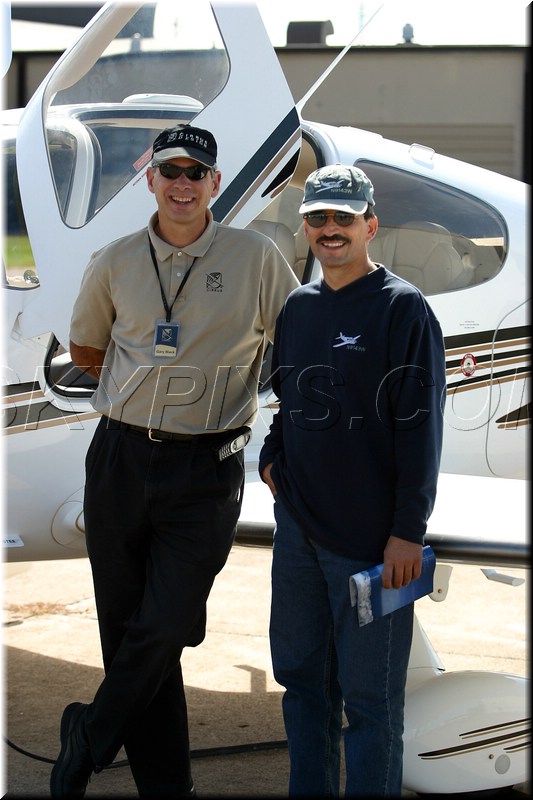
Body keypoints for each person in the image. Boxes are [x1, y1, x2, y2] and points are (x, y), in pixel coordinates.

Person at [50, 124, 300, 799]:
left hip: (206, 469)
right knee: (128, 630)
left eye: (196, 172)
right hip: (121, 460)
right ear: (151, 182)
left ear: (215, 183)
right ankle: (167, 789)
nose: (183, 183)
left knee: (164, 626)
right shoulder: (113, 260)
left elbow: (295, 348)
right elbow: (87, 353)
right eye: (171, 172)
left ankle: (93, 732)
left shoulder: (257, 258)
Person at [259, 164, 446, 797]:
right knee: (303, 684)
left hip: (373, 548)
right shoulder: (299, 307)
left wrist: (405, 535)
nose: (331, 229)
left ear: (371, 224)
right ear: (306, 226)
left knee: (372, 704)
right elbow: (291, 400)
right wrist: (271, 458)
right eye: (319, 218)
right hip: (299, 539)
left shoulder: (403, 309)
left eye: (345, 218)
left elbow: (421, 431)